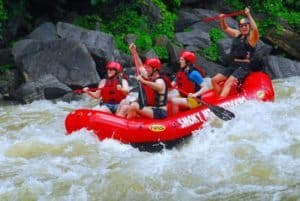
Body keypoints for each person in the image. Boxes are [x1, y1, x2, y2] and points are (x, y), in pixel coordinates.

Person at [211, 7, 259, 98]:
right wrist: (222, 19)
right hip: (234, 65)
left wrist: (248, 14)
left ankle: (221, 102)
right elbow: (225, 28)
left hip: (244, 67)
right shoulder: (237, 34)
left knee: (228, 82)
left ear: (249, 26)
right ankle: (220, 99)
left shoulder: (252, 38)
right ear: (239, 27)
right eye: (241, 26)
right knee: (214, 80)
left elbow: (255, 29)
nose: (244, 27)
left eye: (246, 25)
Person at [117, 43, 168, 119]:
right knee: (124, 106)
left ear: (155, 69)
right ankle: (116, 125)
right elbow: (140, 66)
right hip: (149, 108)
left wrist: (143, 81)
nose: (146, 69)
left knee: (134, 105)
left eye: (148, 68)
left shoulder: (160, 81)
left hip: (159, 112)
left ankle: (128, 126)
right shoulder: (148, 76)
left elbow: (158, 87)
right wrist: (134, 52)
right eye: (146, 67)